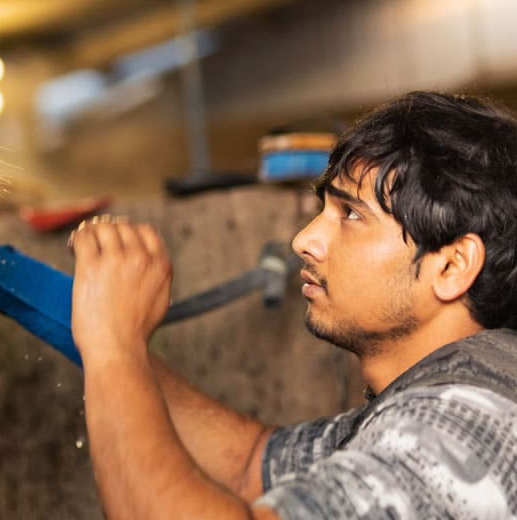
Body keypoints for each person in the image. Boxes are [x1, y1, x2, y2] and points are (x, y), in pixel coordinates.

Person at [68, 90, 517, 519]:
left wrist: (113, 345)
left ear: (453, 265)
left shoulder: (461, 428)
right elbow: (249, 465)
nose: (304, 240)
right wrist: (101, 330)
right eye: (322, 209)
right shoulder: (470, 381)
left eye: (352, 215)